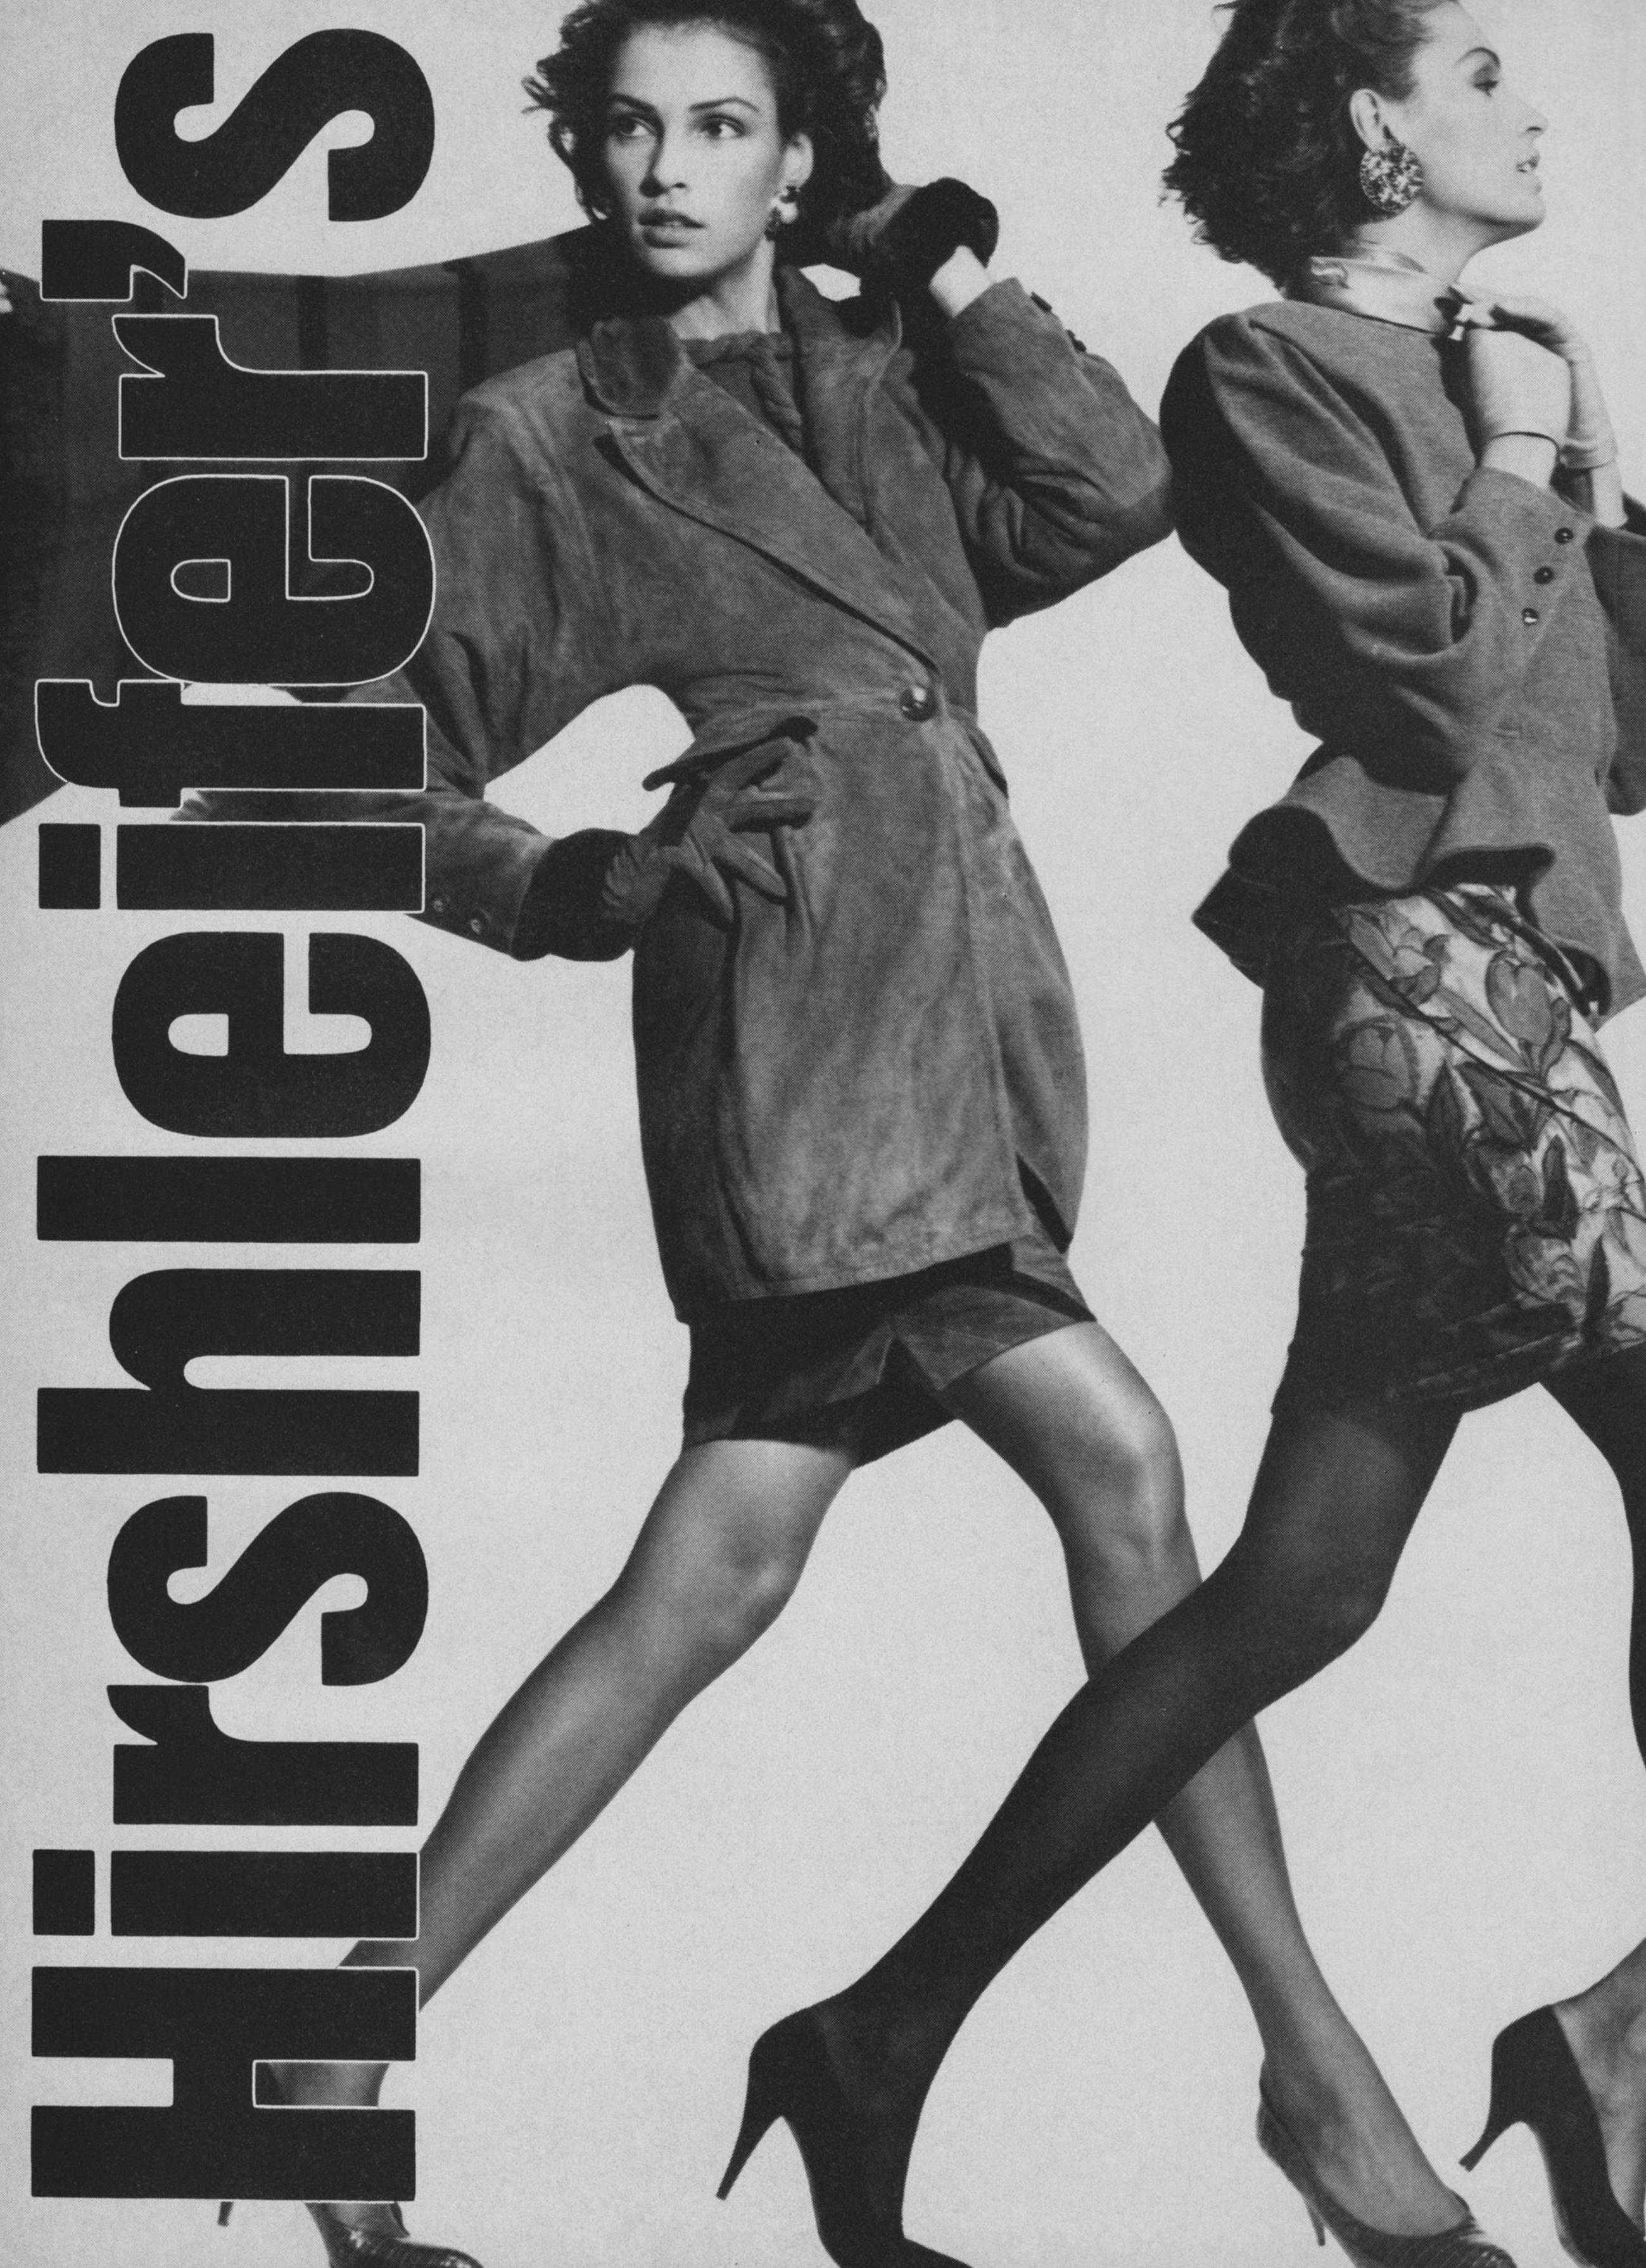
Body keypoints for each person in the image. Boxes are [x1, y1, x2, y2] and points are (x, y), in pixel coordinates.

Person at [201, 3, 1489, 2262]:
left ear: (801, 161)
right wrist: (576, 880)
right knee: (1124, 1475)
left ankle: (335, 2041)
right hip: (794, 1035)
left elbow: (1107, 496)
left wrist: (946, 269)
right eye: (629, 129)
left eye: (720, 126)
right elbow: (362, 747)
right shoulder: (550, 434)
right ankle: (1322, 2089)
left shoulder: (887, 371)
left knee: (716, 1574)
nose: (663, 169)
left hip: (963, 1019)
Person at [739, 4, 1646, 2265]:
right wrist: (1517, 460)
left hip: (1510, 992)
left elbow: (1601, 753)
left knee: (1303, 1585)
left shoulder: (1502, 378)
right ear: (1369, 126)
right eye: (1480, 73)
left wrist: (1595, 487)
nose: (1533, 105)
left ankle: (876, 2035)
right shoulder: (1269, 372)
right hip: (1422, 989)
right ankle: (1625, 2046)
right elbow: (1424, 688)